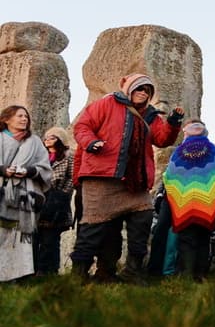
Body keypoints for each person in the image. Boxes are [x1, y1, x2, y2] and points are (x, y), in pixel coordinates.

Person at [71, 74, 184, 283]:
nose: (144, 92)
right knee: (94, 228)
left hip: (134, 181)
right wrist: (91, 142)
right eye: (140, 88)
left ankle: (133, 270)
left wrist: (173, 123)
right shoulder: (106, 104)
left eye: (148, 90)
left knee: (143, 218)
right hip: (102, 177)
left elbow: (162, 139)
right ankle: (82, 273)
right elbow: (82, 126)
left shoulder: (151, 115)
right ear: (129, 88)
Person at [161, 120, 215, 280]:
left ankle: (187, 275)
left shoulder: (179, 152)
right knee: (204, 238)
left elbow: (168, 176)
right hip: (207, 204)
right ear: (205, 134)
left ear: (186, 134)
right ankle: (200, 275)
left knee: (187, 240)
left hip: (185, 204)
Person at [0, 106, 52, 282]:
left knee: (20, 235)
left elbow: (46, 168)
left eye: (26, 116)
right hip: (2, 191)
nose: (24, 119)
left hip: (24, 196)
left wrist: (29, 171)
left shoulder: (35, 141)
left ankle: (17, 275)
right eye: (19, 116)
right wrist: (3, 170)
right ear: (7, 119)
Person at [33, 127, 74, 274]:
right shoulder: (40, 156)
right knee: (35, 238)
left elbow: (72, 177)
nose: (47, 139)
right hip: (38, 200)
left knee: (50, 239)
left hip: (57, 202)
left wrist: (62, 194)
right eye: (46, 137)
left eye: (52, 137)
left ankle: (49, 271)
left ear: (60, 139)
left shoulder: (68, 156)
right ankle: (34, 270)